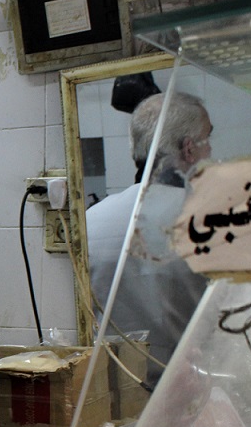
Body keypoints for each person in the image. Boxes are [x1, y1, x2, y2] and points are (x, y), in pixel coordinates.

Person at [86, 92, 213, 386]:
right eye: (208, 141)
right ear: (189, 149)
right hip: (186, 396)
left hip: (111, 399)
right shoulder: (207, 220)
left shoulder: (91, 220)